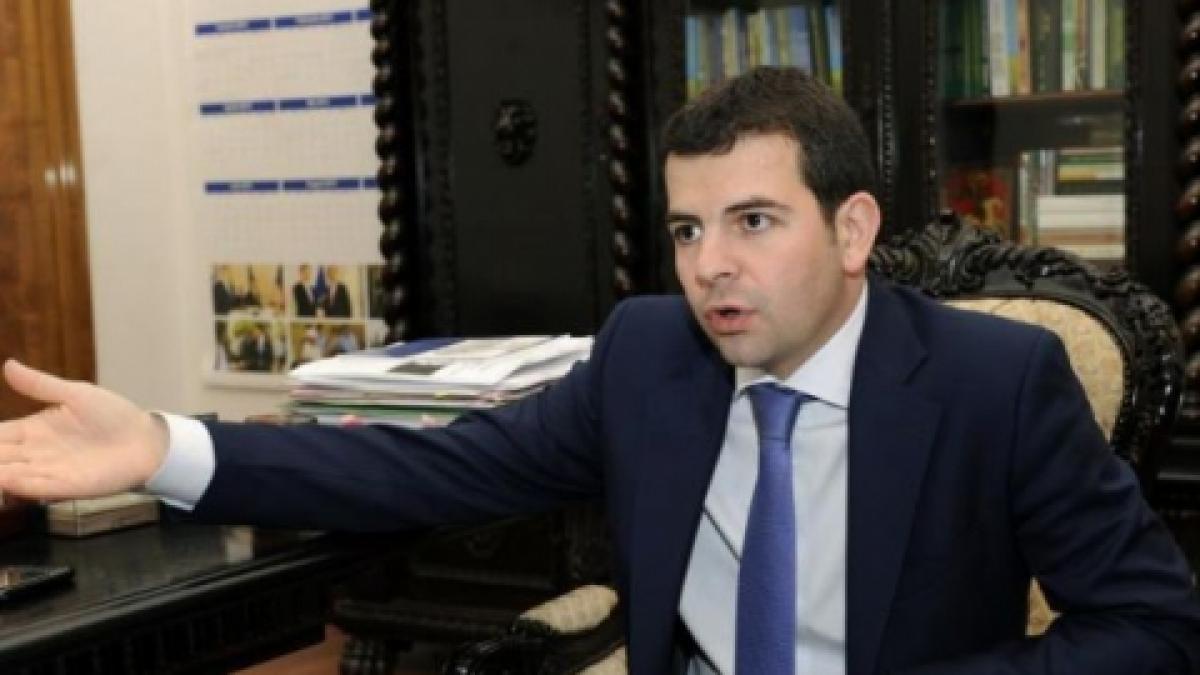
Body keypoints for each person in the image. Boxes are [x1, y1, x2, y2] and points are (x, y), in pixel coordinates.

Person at [0, 67, 1196, 675]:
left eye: (754, 222)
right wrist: (163, 446)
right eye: (687, 230)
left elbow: (1151, 626)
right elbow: (423, 471)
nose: (711, 267)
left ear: (851, 231)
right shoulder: (647, 359)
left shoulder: (996, 382)